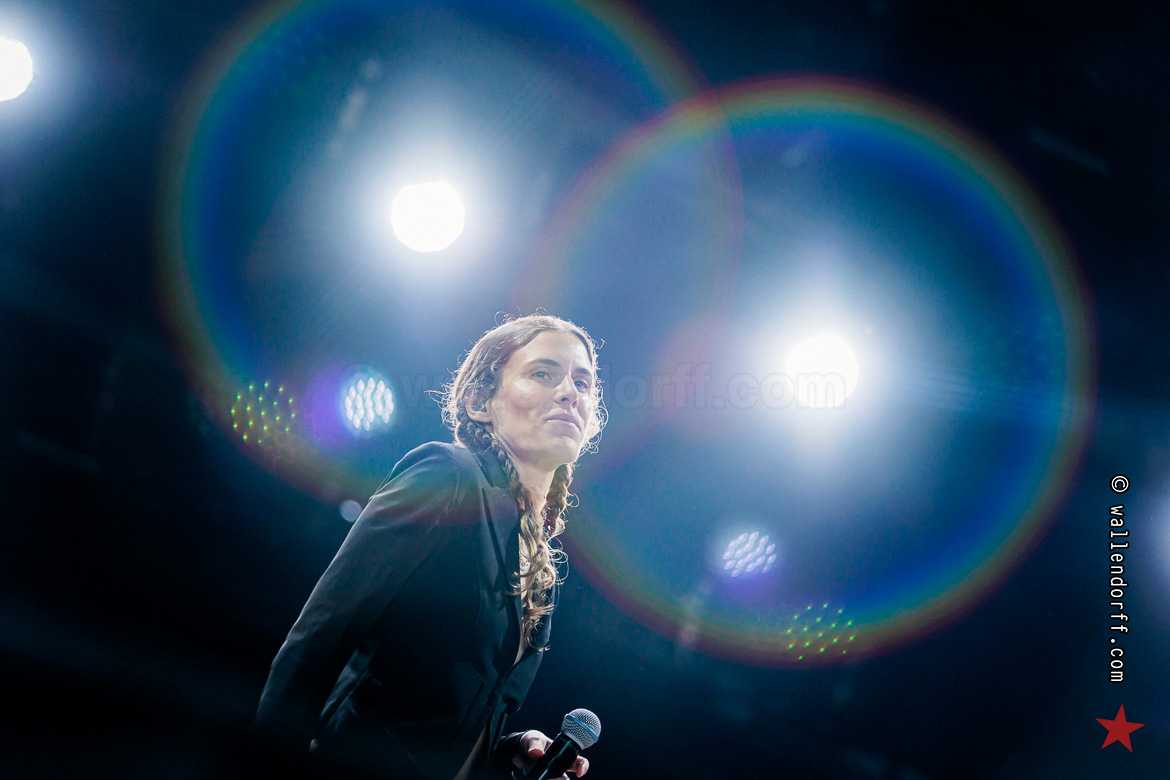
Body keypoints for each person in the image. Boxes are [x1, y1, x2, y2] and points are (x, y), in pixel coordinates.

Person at [254, 313, 606, 779]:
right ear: (480, 402)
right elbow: (320, 639)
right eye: (543, 374)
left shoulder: (541, 568)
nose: (569, 393)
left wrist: (509, 749)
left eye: (582, 382)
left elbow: (452, 718)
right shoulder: (448, 475)